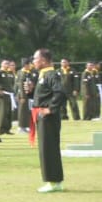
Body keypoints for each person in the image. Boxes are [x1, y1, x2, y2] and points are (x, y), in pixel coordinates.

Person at [33, 49, 67, 193]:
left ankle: (52, 181)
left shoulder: (50, 74)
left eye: (35, 58)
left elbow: (60, 92)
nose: (33, 61)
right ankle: (56, 180)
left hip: (48, 117)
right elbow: (47, 93)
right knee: (49, 148)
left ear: (43, 60)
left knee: (47, 148)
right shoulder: (43, 75)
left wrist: (50, 109)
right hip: (43, 116)